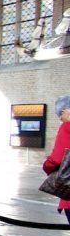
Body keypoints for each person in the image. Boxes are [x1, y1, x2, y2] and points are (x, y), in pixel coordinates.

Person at [42, 94, 70, 225]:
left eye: (60, 115)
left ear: (65, 110)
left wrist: (46, 166)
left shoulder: (67, 127)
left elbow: (57, 159)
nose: (60, 119)